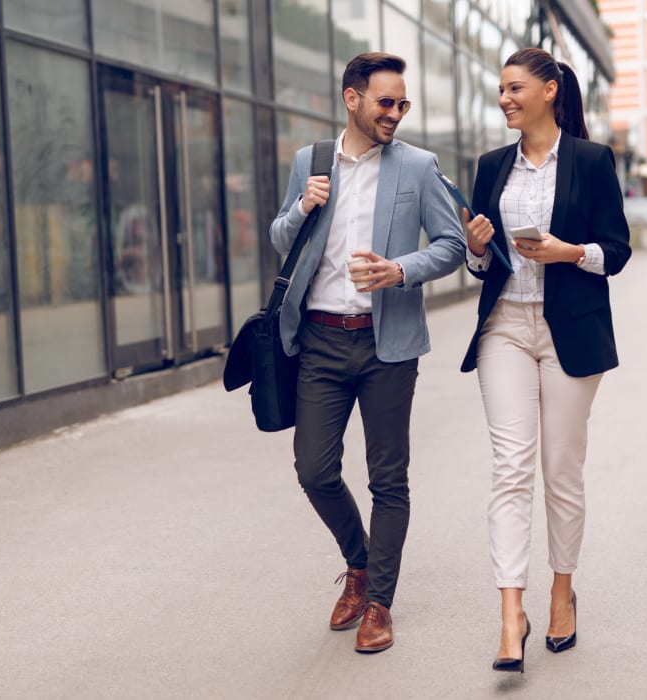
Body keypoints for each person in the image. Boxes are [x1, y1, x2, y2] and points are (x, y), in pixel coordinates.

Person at [269, 52, 465, 653]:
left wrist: (400, 270)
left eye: (403, 103)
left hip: (388, 346)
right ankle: (358, 563)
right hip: (321, 341)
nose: (396, 113)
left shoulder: (418, 166)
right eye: (387, 102)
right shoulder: (311, 161)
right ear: (352, 98)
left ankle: (379, 600)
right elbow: (281, 240)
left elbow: (453, 244)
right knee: (314, 470)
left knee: (389, 479)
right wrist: (302, 206)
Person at [459, 48, 631, 673]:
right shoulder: (490, 166)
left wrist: (568, 252)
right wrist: (477, 250)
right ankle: (511, 614)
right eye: (500, 90)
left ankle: (562, 589)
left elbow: (617, 250)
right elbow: (481, 266)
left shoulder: (591, 160)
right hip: (504, 325)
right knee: (510, 468)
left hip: (570, 333)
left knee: (561, 469)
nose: (505, 99)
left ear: (550, 90)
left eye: (514, 88)